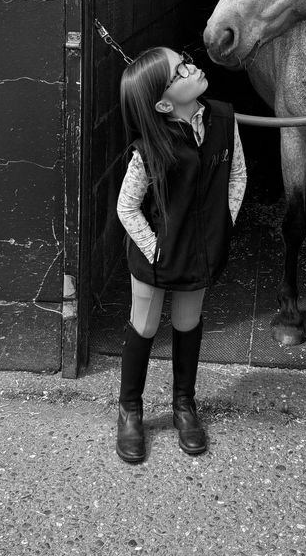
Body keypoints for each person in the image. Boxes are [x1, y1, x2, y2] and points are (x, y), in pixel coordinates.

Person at [115, 46, 247, 462]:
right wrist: (154, 249)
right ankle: (130, 409)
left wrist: (224, 221)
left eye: (186, 60)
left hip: (201, 250)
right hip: (154, 256)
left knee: (188, 322)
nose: (193, 67)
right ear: (163, 102)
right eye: (180, 71)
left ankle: (184, 405)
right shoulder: (149, 148)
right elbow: (126, 206)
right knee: (145, 325)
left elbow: (238, 173)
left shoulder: (224, 119)